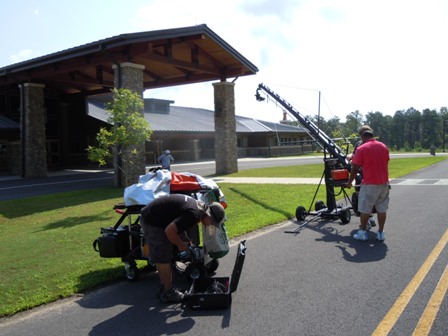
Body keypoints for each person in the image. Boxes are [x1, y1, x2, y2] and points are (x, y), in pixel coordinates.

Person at [140, 194, 226, 303]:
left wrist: (184, 238)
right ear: (209, 216)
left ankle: (164, 288)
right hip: (151, 220)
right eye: (212, 223)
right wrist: (180, 244)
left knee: (165, 254)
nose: (211, 225)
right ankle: (168, 293)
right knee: (164, 256)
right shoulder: (193, 213)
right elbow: (169, 231)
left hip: (158, 217)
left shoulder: (199, 209)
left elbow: (180, 222)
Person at [345, 130, 390, 242]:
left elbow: (355, 168)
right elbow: (385, 161)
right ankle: (380, 233)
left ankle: (362, 232)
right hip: (384, 183)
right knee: (382, 209)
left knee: (365, 209)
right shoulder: (383, 146)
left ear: (363, 137)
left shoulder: (362, 148)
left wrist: (350, 182)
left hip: (370, 183)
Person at [347, 125, 376, 230]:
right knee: (371, 198)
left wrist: (351, 157)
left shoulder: (361, 145)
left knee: (362, 198)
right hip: (372, 176)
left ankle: (366, 221)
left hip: (363, 175)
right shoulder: (374, 145)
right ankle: (370, 217)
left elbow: (357, 159)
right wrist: (351, 155)